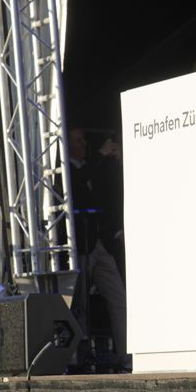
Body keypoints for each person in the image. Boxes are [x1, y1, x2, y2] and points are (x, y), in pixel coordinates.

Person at [67, 126, 128, 367]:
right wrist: (99, 156)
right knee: (79, 305)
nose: (84, 143)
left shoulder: (95, 165)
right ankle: (80, 359)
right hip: (80, 245)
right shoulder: (65, 169)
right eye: (79, 139)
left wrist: (117, 159)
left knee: (119, 298)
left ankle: (125, 355)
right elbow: (74, 185)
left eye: (84, 139)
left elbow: (111, 195)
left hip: (101, 243)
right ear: (67, 143)